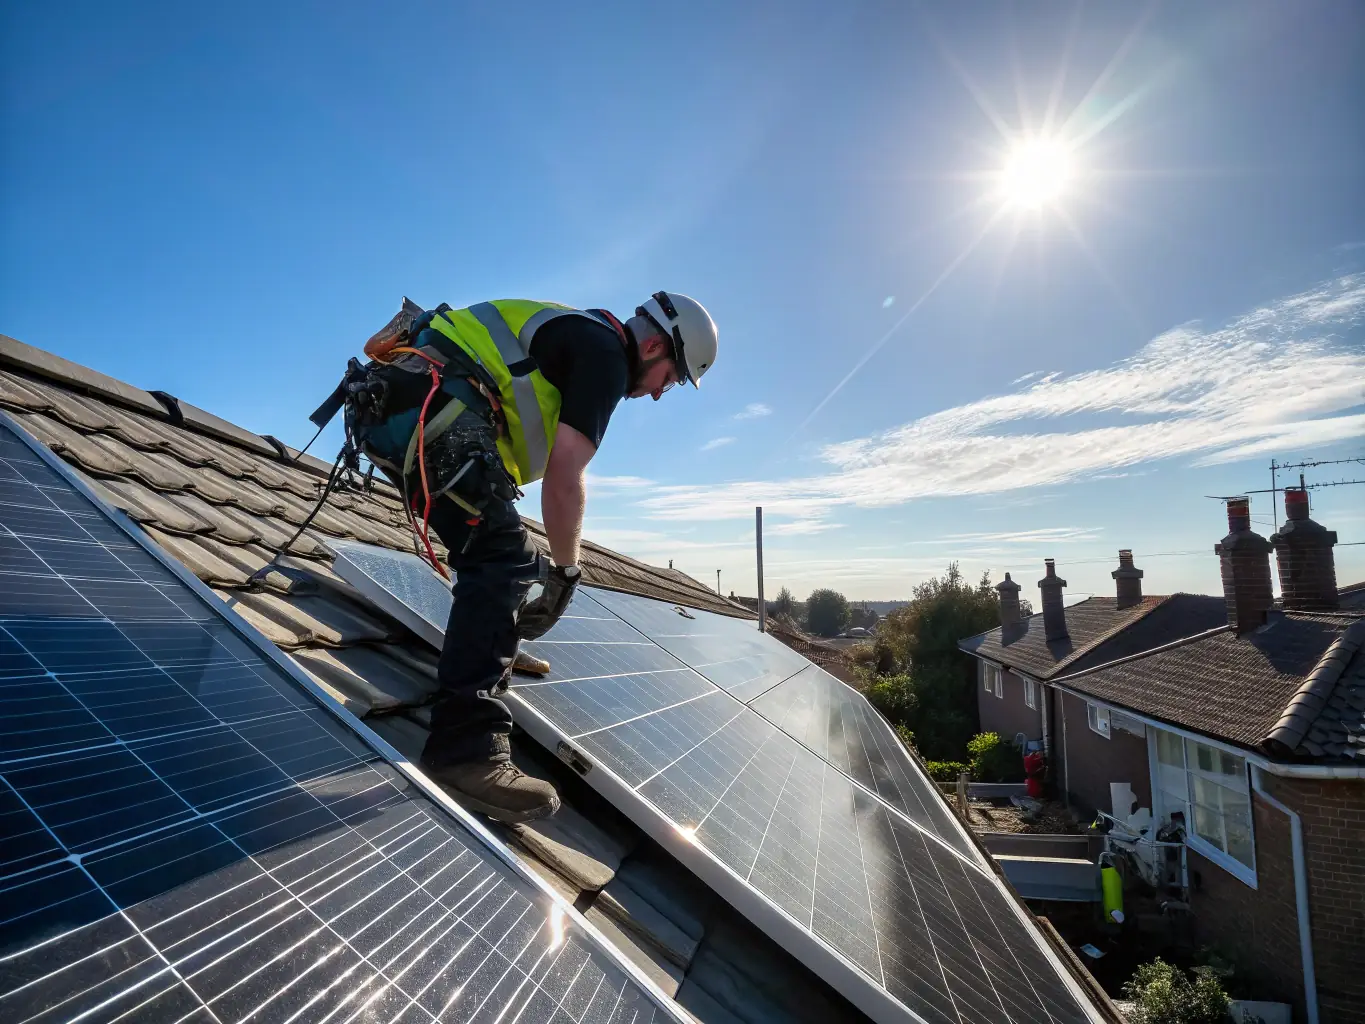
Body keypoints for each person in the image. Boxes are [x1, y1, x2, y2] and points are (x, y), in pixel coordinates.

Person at [352, 292, 717, 822]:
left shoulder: (576, 334)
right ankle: (465, 751)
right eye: (673, 377)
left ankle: (490, 645)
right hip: (433, 414)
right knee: (505, 557)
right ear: (655, 344)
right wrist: (566, 573)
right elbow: (566, 478)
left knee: (490, 545)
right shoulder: (607, 356)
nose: (662, 393)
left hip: (398, 408)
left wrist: (504, 622)